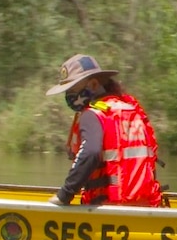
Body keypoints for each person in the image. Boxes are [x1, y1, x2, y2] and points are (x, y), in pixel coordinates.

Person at [45, 54, 163, 207]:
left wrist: (64, 195)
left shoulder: (93, 114)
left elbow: (91, 153)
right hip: (144, 206)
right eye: (67, 92)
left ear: (94, 85)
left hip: (107, 209)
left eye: (73, 89)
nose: (69, 96)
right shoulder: (131, 111)